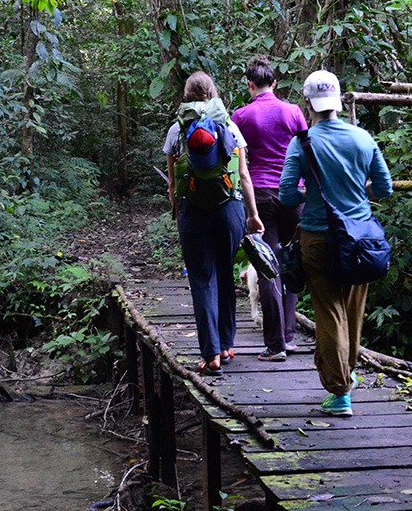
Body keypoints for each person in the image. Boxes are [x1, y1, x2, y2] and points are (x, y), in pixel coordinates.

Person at [279, 70, 393, 416]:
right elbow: (385, 189)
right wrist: (357, 191)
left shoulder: (303, 142)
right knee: (353, 313)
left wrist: (311, 192)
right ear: (339, 101)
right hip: (360, 237)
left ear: (308, 102)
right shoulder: (362, 138)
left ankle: (340, 391)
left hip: (318, 238)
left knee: (330, 315)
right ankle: (348, 375)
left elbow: (286, 195)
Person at [164, 71, 264, 375]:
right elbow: (244, 175)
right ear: (213, 93)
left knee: (202, 280)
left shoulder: (176, 130)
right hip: (229, 210)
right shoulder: (229, 125)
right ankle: (226, 345)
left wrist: (177, 210)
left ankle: (210, 355)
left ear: (187, 96)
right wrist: (253, 214)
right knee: (224, 274)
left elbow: (172, 184)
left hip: (194, 213)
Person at [232, 56, 307, 363]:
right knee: (289, 261)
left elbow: (234, 160)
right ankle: (288, 337)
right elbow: (307, 148)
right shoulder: (293, 111)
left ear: (251, 85)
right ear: (275, 83)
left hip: (260, 195)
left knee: (266, 265)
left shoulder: (241, 116)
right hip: (294, 193)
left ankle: (274, 344)